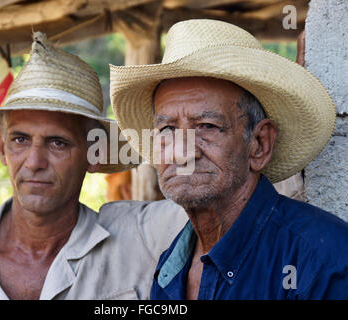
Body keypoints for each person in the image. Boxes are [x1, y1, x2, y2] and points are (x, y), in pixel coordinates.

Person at [0, 32, 187, 300]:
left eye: (58, 143)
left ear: (95, 152)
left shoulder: (139, 241)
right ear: (2, 148)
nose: (34, 162)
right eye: (20, 140)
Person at [109, 19, 348, 299]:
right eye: (168, 129)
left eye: (207, 126)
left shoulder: (321, 259)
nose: (181, 152)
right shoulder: (171, 266)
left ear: (259, 144)